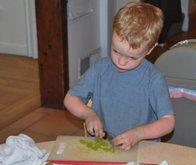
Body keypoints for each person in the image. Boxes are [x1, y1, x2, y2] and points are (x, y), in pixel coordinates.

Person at [63, 2, 175, 151]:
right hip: (102, 146)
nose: (121, 62)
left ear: (150, 49)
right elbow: (70, 99)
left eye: (132, 57)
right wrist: (88, 114)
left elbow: (168, 122)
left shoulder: (153, 79)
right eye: (116, 51)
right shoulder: (100, 69)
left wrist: (137, 134)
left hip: (141, 150)